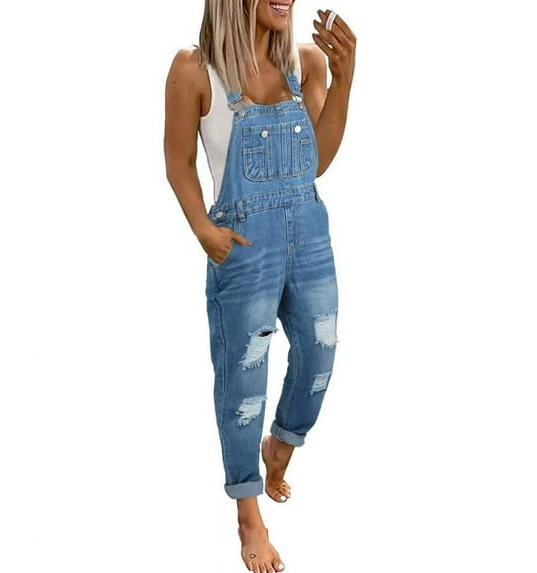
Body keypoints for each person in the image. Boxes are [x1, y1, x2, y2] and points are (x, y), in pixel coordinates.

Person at [164, 1, 356, 571]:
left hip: (309, 233)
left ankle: (281, 445)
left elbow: (316, 162)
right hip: (245, 246)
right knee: (244, 381)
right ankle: (248, 513)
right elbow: (178, 160)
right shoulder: (196, 69)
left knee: (320, 354)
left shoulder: (306, 64)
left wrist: (344, 80)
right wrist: (204, 230)